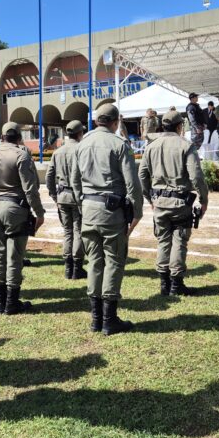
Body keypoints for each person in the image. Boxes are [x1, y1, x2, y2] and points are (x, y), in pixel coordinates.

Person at [70, 103, 143, 336]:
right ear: (115, 122)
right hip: (111, 211)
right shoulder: (119, 144)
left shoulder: (83, 144)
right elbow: (132, 183)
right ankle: (109, 319)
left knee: (94, 261)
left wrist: (83, 202)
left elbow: (74, 179)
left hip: (88, 209)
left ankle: (96, 318)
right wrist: (137, 212)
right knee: (113, 260)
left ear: (95, 121)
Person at [138, 110, 208, 297]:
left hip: (159, 201)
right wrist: (203, 199)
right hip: (179, 202)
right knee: (179, 241)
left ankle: (164, 283)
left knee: (163, 240)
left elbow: (142, 175)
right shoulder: (186, 145)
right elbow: (196, 176)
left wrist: (149, 198)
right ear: (180, 126)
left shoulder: (151, 146)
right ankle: (176, 284)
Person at [0, 122, 45, 315]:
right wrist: (39, 213)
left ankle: (0, 302)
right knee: (15, 257)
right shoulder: (21, 154)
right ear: (18, 136)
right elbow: (30, 189)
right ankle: (11, 303)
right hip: (15, 207)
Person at [45, 120, 86, 280]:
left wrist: (54, 195)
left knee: (67, 232)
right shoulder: (82, 149)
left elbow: (49, 176)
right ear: (80, 133)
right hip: (78, 196)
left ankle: (68, 268)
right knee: (78, 231)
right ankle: (77, 267)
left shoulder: (58, 152)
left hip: (62, 196)